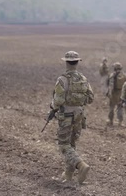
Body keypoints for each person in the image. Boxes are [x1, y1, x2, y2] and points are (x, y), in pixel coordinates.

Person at [51, 51, 94, 184]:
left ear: (66, 62)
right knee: (72, 145)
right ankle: (68, 176)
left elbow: (58, 100)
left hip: (66, 116)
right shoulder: (83, 78)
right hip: (79, 116)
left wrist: (53, 108)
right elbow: (91, 98)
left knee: (64, 145)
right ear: (77, 62)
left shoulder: (62, 79)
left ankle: (81, 165)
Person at [106, 62, 126, 126]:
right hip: (121, 93)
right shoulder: (124, 75)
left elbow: (111, 85)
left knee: (111, 108)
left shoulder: (112, 75)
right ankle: (120, 122)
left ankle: (110, 120)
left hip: (114, 93)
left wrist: (109, 93)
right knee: (120, 107)